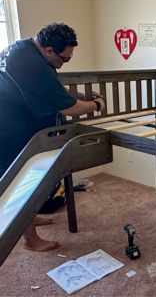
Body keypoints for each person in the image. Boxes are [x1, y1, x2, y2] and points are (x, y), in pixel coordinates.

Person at [0, 22, 106, 252]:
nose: (65, 62)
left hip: (12, 125)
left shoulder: (22, 49)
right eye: (65, 58)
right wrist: (96, 105)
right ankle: (30, 239)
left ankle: (28, 218)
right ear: (48, 50)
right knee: (21, 185)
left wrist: (81, 96)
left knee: (29, 181)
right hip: (10, 133)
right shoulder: (33, 66)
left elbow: (52, 90)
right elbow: (69, 109)